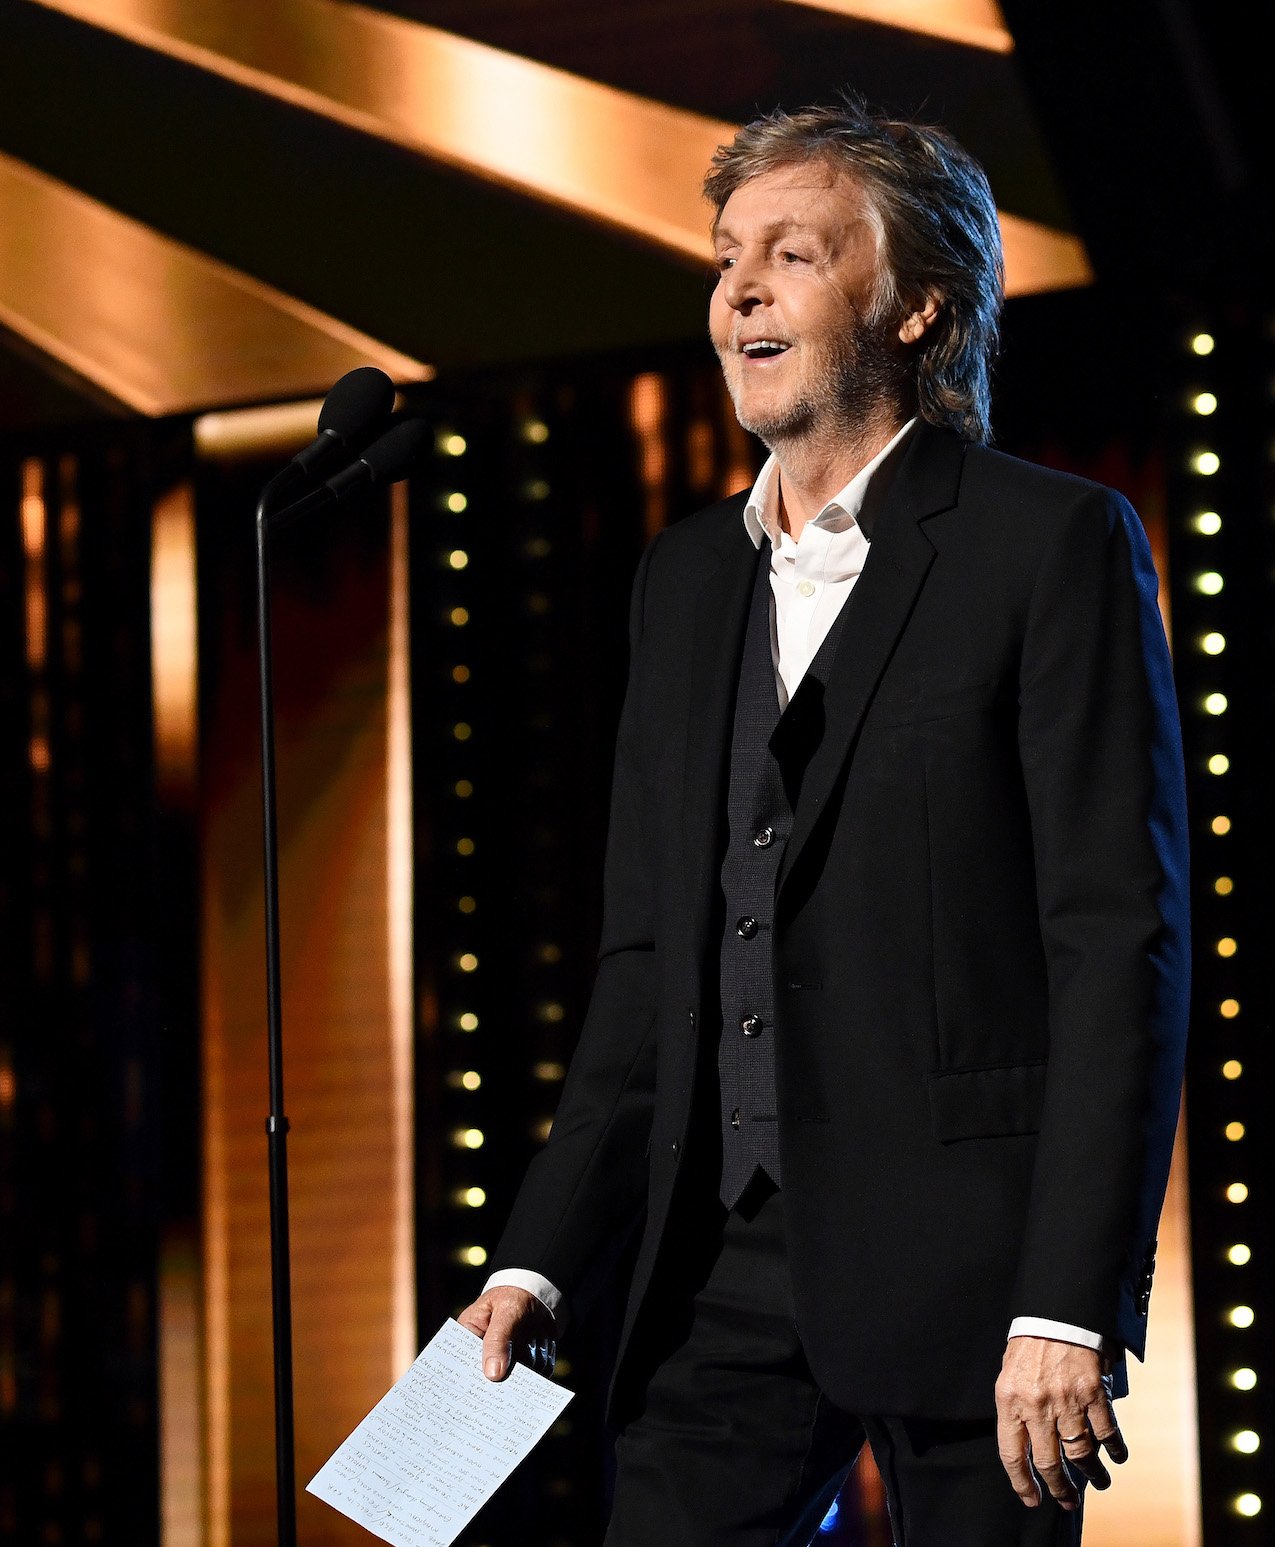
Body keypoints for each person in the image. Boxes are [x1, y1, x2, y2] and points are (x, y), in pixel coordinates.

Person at [456, 101, 1188, 1545]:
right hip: (714, 1265)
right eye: (727, 256)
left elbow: (1118, 944)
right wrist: (539, 1260)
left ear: (919, 303)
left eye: (793, 253)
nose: (739, 288)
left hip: (980, 1279)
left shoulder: (1049, 545)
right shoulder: (681, 583)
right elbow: (651, 958)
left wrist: (1067, 1298)